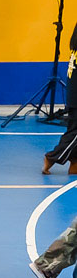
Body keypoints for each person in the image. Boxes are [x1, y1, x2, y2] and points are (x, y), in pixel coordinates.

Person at [43, 24, 77, 174]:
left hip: (73, 94)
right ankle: (52, 157)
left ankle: (74, 163)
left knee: (73, 129)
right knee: (75, 132)